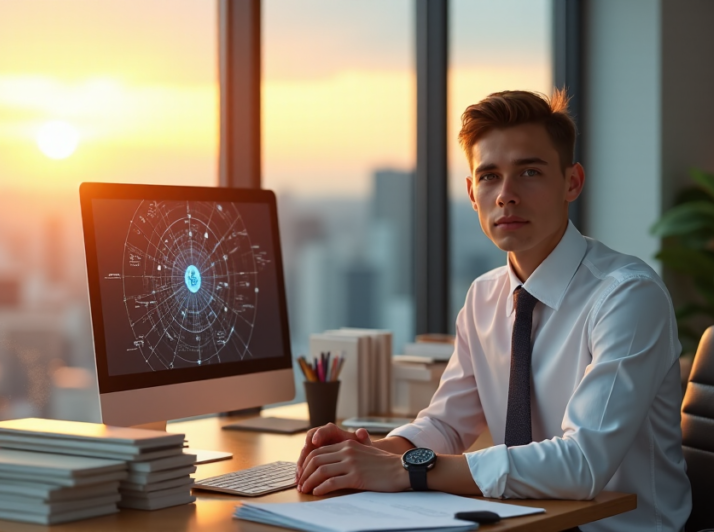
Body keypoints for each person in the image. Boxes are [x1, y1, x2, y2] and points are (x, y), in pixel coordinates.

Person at [295, 89, 692, 532]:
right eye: (489, 177)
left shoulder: (627, 296)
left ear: (572, 182)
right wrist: (368, 453)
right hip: (521, 523)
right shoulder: (484, 297)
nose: (506, 195)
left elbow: (583, 463)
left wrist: (407, 471)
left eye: (529, 172)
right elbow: (445, 426)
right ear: (471, 191)